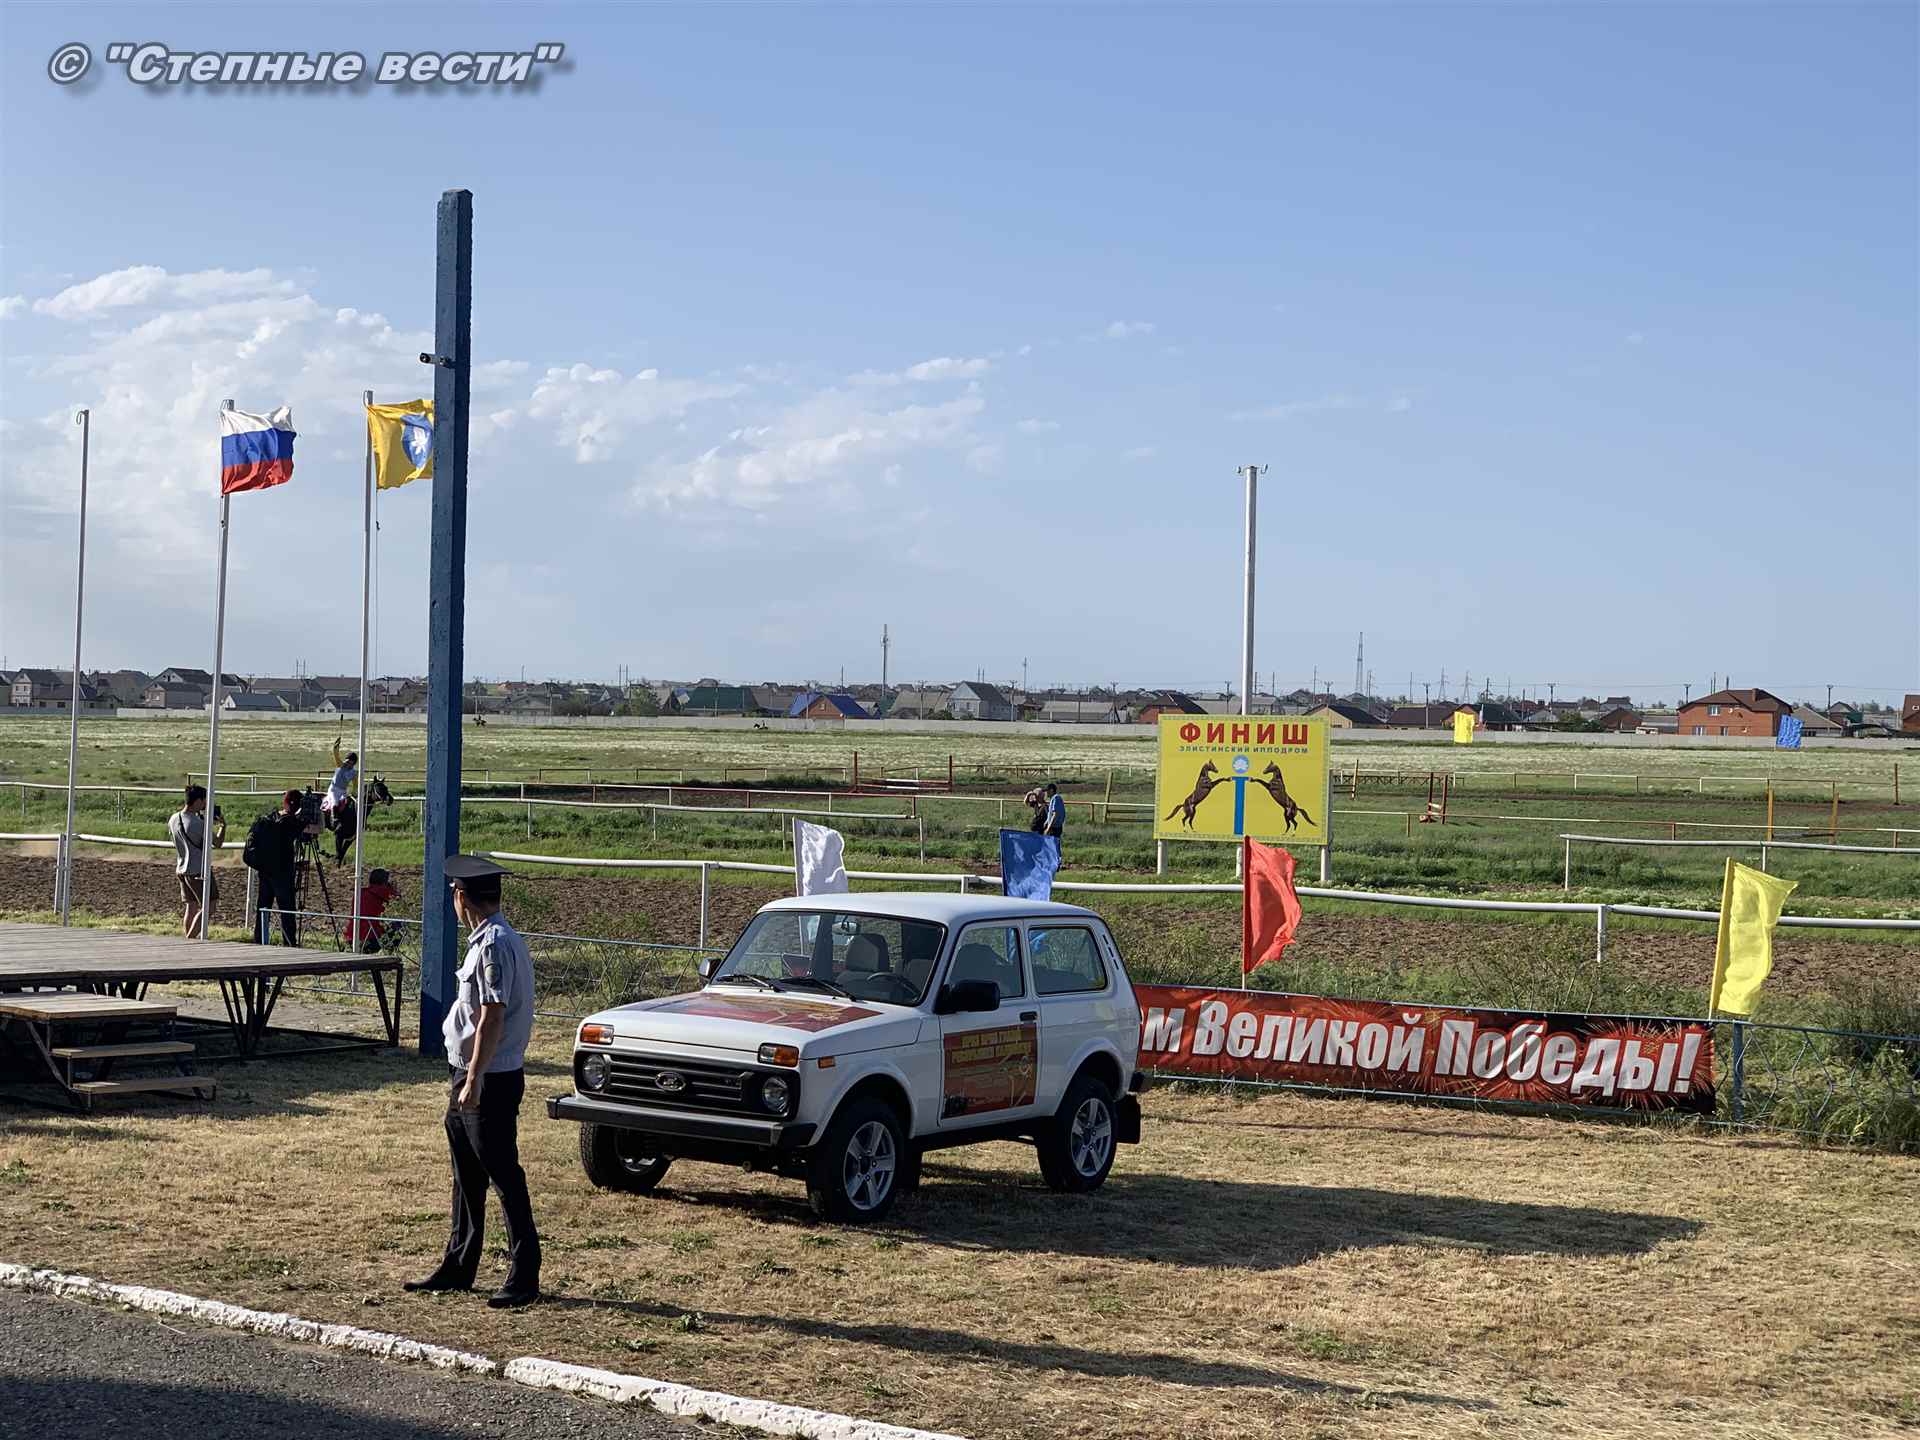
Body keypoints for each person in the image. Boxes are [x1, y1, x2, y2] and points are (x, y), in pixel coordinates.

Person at [405, 855, 540, 1308]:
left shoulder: (494, 944)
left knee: (503, 1175)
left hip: (489, 1077)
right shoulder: (488, 941)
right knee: (466, 1176)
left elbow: (492, 1016)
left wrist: (475, 1079)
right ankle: (459, 1265)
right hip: (469, 1073)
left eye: (453, 895)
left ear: (462, 897)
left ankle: (524, 1275)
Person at [243, 789, 310, 947]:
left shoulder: (269, 818)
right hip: (283, 874)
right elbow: (314, 828)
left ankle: (260, 940)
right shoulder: (291, 823)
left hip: (265, 870)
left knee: (263, 907)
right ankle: (289, 943)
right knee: (287, 910)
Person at [166, 785, 222, 938]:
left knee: (191, 907)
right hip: (198, 870)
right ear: (198, 801)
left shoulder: (173, 819)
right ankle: (190, 938)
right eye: (204, 801)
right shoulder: (198, 823)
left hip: (181, 867)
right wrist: (223, 826)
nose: (206, 804)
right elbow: (217, 843)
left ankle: (187, 939)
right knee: (209, 906)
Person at [348, 868, 400, 953]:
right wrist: (392, 889)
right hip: (373, 937)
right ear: (385, 882)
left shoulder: (360, 892)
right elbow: (399, 904)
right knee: (398, 924)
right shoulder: (386, 892)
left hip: (353, 936)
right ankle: (389, 953)